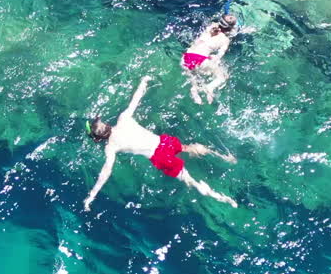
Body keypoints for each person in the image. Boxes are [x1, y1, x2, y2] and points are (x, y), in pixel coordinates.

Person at [83, 75, 238, 211]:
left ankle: (220, 197)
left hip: (160, 156)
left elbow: (106, 173)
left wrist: (92, 195)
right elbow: (135, 100)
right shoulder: (123, 119)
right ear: (105, 125)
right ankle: (224, 157)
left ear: (98, 139)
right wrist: (143, 82)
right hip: (164, 142)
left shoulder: (111, 147)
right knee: (188, 147)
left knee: (190, 181)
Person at [182, 14, 237, 104]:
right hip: (200, 60)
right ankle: (210, 87)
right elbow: (220, 54)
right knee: (223, 76)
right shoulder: (225, 40)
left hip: (187, 56)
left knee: (194, 76)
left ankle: (194, 88)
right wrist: (215, 58)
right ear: (230, 28)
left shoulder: (210, 27)